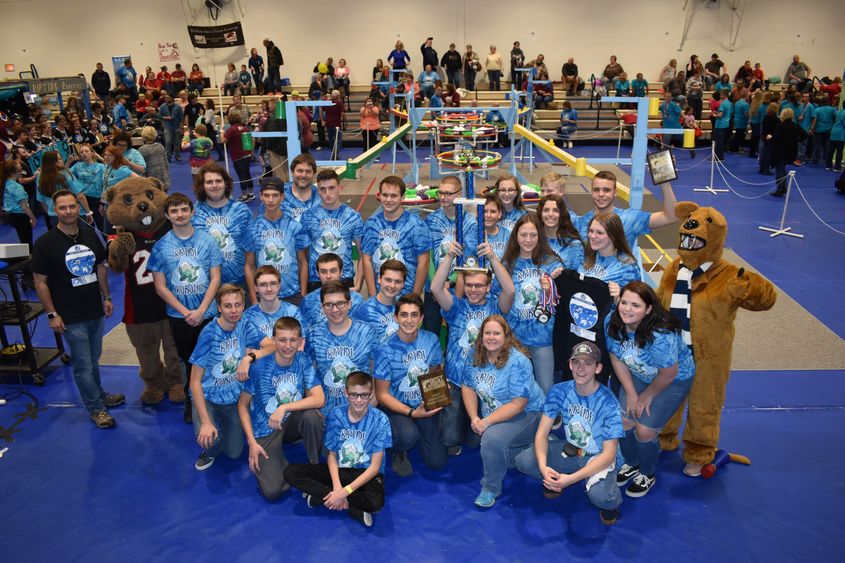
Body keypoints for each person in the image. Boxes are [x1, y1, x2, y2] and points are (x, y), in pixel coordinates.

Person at [32, 190, 121, 428]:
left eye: (72, 206)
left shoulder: (90, 235)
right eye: (63, 208)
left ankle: (99, 394)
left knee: (93, 359)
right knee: (83, 365)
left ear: (78, 208)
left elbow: (101, 268)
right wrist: (52, 313)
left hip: (94, 309)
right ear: (54, 210)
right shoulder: (45, 243)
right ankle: (96, 408)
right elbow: (40, 282)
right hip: (70, 315)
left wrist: (107, 296)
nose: (69, 211)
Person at [514, 341, 624, 525]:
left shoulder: (608, 402)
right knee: (524, 461)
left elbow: (608, 455)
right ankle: (554, 478)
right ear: (570, 364)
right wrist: (543, 467)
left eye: (588, 364)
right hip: (571, 449)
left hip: (598, 457)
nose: (581, 369)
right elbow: (541, 434)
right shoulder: (559, 390)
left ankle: (610, 503)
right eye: (576, 362)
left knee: (602, 497)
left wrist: (571, 480)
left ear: (598, 368)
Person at [607, 281, 695, 498]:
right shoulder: (612, 321)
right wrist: (631, 393)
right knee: (624, 420)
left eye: (635, 305)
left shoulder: (660, 336)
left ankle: (647, 473)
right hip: (639, 374)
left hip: (673, 380)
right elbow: (615, 357)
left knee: (644, 430)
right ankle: (631, 463)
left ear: (648, 309)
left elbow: (668, 374)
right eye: (624, 302)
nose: (627, 309)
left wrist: (646, 396)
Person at [432, 237, 515, 455]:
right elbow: (436, 288)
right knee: (449, 439)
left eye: (479, 285)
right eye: (469, 285)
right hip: (456, 381)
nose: (473, 289)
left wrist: (492, 258)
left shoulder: (497, 307)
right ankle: (459, 418)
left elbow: (510, 291)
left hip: (486, 381)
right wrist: (449, 256)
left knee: (475, 440)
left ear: (488, 287)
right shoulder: (456, 307)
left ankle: (470, 419)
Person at [149, 192, 222, 423]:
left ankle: (215, 402)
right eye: (174, 211)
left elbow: (215, 278)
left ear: (192, 212)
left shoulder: (208, 241)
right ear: (167, 215)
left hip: (207, 313)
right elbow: (160, 287)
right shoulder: (161, 247)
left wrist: (201, 310)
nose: (180, 215)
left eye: (184, 210)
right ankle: (192, 402)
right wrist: (185, 312)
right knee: (188, 360)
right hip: (179, 316)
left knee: (211, 359)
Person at [284, 371, 391, 527]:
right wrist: (337, 488)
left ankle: (322, 496)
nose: (359, 400)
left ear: (371, 394)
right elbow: (332, 456)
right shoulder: (336, 414)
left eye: (364, 395)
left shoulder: (381, 420)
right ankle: (342, 500)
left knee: (375, 503)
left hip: (366, 473)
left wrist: (344, 493)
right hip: (341, 470)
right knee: (291, 472)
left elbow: (375, 468)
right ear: (346, 393)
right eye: (354, 395)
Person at [461, 314, 545, 508]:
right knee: (500, 454)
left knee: (490, 439)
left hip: (531, 413)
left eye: (496, 333)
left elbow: (518, 404)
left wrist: (485, 422)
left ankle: (490, 488)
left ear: (506, 336)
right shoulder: (475, 354)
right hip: (498, 414)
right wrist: (474, 417)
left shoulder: (518, 361)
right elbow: (467, 386)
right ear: (481, 336)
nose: (491, 337)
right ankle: (528, 445)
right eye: (487, 333)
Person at [238, 316, 325, 499]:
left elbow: (320, 399)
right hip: (266, 428)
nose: (287, 345)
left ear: (300, 341)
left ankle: (314, 467)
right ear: (274, 340)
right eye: (282, 340)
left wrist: (285, 407)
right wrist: (251, 442)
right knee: (272, 491)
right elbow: (243, 405)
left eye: (293, 340)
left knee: (312, 416)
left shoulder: (303, 360)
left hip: (291, 422)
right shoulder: (259, 367)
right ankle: (283, 465)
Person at [188, 284, 272, 471]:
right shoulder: (209, 334)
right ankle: (209, 440)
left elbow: (272, 346)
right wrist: (206, 422)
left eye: (238, 305)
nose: (234, 310)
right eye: (228, 306)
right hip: (208, 397)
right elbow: (194, 382)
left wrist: (249, 358)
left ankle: (226, 428)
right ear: (219, 307)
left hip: (233, 399)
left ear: (243, 306)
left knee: (234, 453)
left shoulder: (244, 325)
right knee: (209, 440)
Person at [373, 294, 446, 477]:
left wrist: (439, 392)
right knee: (407, 436)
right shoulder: (384, 349)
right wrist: (412, 413)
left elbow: (434, 372)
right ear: (396, 317)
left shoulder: (431, 340)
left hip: (423, 403)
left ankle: (425, 433)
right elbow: (382, 394)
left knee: (438, 462)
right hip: (397, 407)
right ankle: (398, 450)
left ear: (421, 318)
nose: (409, 320)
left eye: (414, 315)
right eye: (404, 315)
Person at [501, 214, 563, 393]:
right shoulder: (507, 264)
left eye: (533, 235)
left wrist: (551, 289)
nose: (528, 240)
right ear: (516, 236)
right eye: (523, 235)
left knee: (545, 387)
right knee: (517, 389)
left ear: (540, 236)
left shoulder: (552, 262)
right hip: (514, 337)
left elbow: (560, 302)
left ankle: (549, 420)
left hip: (542, 337)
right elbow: (500, 302)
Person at [305, 281, 376, 417]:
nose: (335, 309)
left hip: (362, 411)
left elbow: (377, 376)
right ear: (322, 307)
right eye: (329, 305)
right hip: (325, 413)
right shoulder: (314, 334)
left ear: (349, 304)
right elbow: (310, 377)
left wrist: (365, 411)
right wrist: (316, 412)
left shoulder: (367, 332)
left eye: (340, 303)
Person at [422, 175, 477, 335]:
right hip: (432, 286)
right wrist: (435, 282)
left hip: (458, 285)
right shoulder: (431, 220)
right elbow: (429, 255)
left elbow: (470, 259)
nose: (443, 197)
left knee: (458, 330)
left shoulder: (470, 223)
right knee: (431, 330)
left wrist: (450, 281)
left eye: (448, 193)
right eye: (441, 193)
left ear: (459, 194)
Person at [574, 170, 678, 251]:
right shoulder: (581, 222)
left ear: (615, 192)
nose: (601, 194)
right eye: (596, 190)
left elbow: (671, 216)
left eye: (606, 190)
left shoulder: (630, 219)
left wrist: (665, 183)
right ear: (591, 192)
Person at [243, 177, 308, 305]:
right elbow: (249, 266)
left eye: (275, 195)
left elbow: (303, 262)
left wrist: (303, 294)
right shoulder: (252, 228)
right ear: (261, 196)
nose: (270, 200)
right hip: (263, 295)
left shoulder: (294, 226)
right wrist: (254, 299)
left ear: (282, 197)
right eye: (266, 195)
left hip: (292, 294)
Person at [361, 176, 429, 297]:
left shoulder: (416, 225)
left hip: (406, 296)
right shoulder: (371, 224)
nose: (388, 199)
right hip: (379, 295)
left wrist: (415, 296)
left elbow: (423, 263)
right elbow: (366, 260)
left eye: (393, 196)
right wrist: (372, 296)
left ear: (402, 197)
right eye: (385, 195)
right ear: (379, 195)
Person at [300, 169, 363, 292]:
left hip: (344, 279)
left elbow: (363, 254)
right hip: (316, 280)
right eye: (323, 189)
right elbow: (303, 256)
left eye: (331, 188)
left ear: (340, 188)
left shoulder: (353, 216)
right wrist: (303, 289)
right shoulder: (308, 217)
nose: (327, 193)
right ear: (318, 191)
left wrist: (359, 284)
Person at [191, 163, 252, 287]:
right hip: (206, 284)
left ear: (226, 183)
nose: (214, 185)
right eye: (209, 182)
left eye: (218, 181)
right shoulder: (194, 213)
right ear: (202, 185)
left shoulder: (241, 210)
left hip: (239, 282)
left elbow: (251, 249)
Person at [579, 212, 641, 300]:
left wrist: (617, 299)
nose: (592, 236)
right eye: (591, 231)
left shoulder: (627, 267)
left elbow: (636, 303)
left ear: (613, 235)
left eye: (599, 233)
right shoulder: (586, 254)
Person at [300, 253, 364, 329]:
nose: (328, 276)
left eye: (333, 271)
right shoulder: (308, 301)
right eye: (323, 272)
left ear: (341, 272)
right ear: (318, 274)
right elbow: (303, 331)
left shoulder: (357, 300)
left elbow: (363, 329)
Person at [242, 265, 303, 340]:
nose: (269, 289)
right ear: (256, 288)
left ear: (279, 285)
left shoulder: (294, 312)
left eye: (273, 283)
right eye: (263, 285)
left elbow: (301, 343)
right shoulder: (248, 317)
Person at [36, 150, 92, 230]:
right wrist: (88, 212)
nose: (62, 160)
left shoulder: (40, 177)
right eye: (60, 158)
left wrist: (50, 212)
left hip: (54, 214)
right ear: (54, 162)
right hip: (74, 213)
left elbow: (41, 200)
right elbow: (80, 196)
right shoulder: (65, 174)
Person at [354, 259, 405, 342]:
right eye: (388, 280)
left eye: (398, 281)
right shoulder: (364, 311)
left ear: (403, 284)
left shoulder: (406, 305)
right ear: (379, 279)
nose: (392, 285)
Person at [538, 194, 583, 270]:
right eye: (546, 210)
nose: (550, 214)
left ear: (562, 214)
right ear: (540, 213)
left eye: (556, 210)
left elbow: (576, 278)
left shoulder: (574, 245)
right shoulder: (533, 240)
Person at [70, 144, 107, 232]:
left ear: (91, 153)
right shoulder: (78, 165)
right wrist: (68, 163)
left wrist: (100, 158)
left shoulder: (100, 166)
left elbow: (112, 170)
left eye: (86, 151)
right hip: (83, 200)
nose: (84, 154)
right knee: (88, 228)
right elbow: (65, 174)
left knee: (102, 227)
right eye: (81, 152)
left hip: (97, 199)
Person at [1, 160, 37, 250]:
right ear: (13, 173)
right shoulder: (17, 187)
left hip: (10, 215)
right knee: (27, 242)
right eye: (20, 170)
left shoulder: (5, 184)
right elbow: (24, 206)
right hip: (20, 216)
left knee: (23, 239)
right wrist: (33, 218)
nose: (22, 172)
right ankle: (29, 260)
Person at [222, 113, 254, 201]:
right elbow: (250, 142)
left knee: (242, 176)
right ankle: (251, 193)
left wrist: (221, 132)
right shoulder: (245, 128)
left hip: (238, 156)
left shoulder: (231, 129)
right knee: (247, 174)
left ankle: (244, 196)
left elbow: (223, 140)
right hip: (247, 154)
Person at [771, 107, 802, 197]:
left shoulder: (781, 125)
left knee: (779, 169)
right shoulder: (795, 125)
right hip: (790, 151)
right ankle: (783, 188)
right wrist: (797, 141)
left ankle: (780, 189)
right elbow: (804, 135)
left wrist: (770, 138)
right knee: (783, 168)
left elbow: (775, 139)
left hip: (780, 151)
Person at [282, 153, 319, 222]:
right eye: (300, 171)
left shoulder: (321, 196)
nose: (304, 175)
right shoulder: (278, 194)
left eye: (308, 171)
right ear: (292, 172)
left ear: (314, 174)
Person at [138, 126, 171, 191]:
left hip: (150, 180)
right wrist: (167, 177)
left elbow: (142, 167)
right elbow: (166, 163)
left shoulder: (142, 150)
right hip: (163, 178)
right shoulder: (160, 146)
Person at [481, 195, 510, 260]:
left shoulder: (507, 235)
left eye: (493, 211)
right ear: (478, 213)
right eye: (484, 211)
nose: (488, 215)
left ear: (499, 214)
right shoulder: (472, 236)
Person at [158, 93, 184, 162]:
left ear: (172, 98)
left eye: (168, 97)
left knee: (177, 142)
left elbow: (181, 118)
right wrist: (166, 117)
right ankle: (168, 157)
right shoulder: (162, 106)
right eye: (166, 97)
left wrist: (181, 128)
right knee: (168, 142)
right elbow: (159, 116)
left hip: (176, 126)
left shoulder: (178, 107)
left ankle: (177, 156)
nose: (166, 99)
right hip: (167, 126)